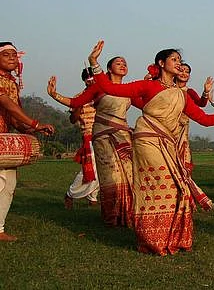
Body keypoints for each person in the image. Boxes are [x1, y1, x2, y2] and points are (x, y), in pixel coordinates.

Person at [87, 40, 214, 255]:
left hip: (168, 143)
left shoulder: (182, 94)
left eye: (180, 60)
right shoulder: (148, 86)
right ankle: (150, 237)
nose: (178, 63)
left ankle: (168, 236)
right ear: (161, 63)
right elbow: (111, 88)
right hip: (146, 139)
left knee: (176, 188)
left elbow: (203, 118)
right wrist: (94, 63)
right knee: (158, 184)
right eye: (174, 59)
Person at [49, 56, 136, 227]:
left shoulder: (128, 89)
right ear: (108, 69)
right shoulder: (96, 89)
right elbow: (73, 106)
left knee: (127, 173)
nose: (123, 65)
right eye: (118, 63)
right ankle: (111, 212)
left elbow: (146, 99)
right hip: (100, 135)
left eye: (125, 62)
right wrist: (54, 95)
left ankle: (126, 211)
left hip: (123, 135)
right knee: (103, 172)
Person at [0, 42, 55, 242]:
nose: (12, 58)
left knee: (8, 184)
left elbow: (14, 117)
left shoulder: (12, 84)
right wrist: (35, 122)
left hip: (4, 139)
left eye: (15, 55)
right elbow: (6, 103)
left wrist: (32, 129)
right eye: (6, 54)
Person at [174, 63, 214, 210]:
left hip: (182, 132)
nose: (184, 73)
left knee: (184, 163)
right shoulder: (168, 89)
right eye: (181, 70)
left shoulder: (189, 91)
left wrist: (205, 91)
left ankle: (184, 194)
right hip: (166, 130)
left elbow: (201, 104)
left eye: (187, 71)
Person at [63, 68, 99, 209]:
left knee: (104, 167)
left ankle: (93, 197)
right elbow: (73, 119)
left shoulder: (103, 94)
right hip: (90, 135)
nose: (92, 80)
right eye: (89, 78)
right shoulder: (79, 97)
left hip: (105, 134)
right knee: (90, 169)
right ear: (84, 81)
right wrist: (78, 105)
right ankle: (71, 193)